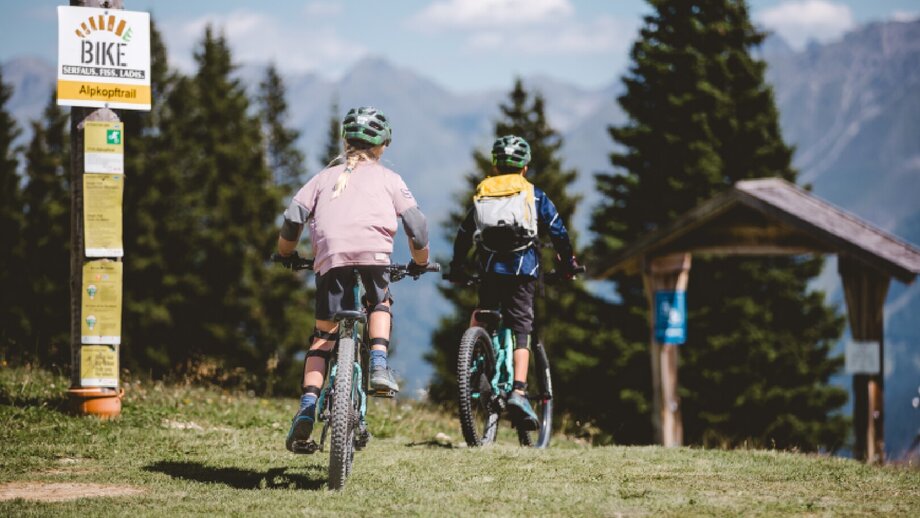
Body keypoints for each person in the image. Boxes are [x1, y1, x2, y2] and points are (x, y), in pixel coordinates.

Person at [275, 106, 430, 452]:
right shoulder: (391, 180)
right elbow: (417, 227)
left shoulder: (323, 178)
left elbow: (293, 218)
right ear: (382, 146)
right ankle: (378, 362)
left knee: (322, 337)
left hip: (331, 260)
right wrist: (420, 262)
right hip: (375, 257)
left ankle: (308, 405)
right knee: (379, 302)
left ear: (345, 141)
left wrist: (285, 253)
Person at [446, 135, 578, 431]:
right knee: (522, 328)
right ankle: (518, 390)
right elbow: (558, 231)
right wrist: (567, 264)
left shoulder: (484, 192)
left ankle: (471, 363)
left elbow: (464, 233)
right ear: (525, 167)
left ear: (494, 165)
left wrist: (457, 268)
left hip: (490, 270)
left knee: (483, 311)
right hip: (523, 271)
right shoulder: (533, 194)